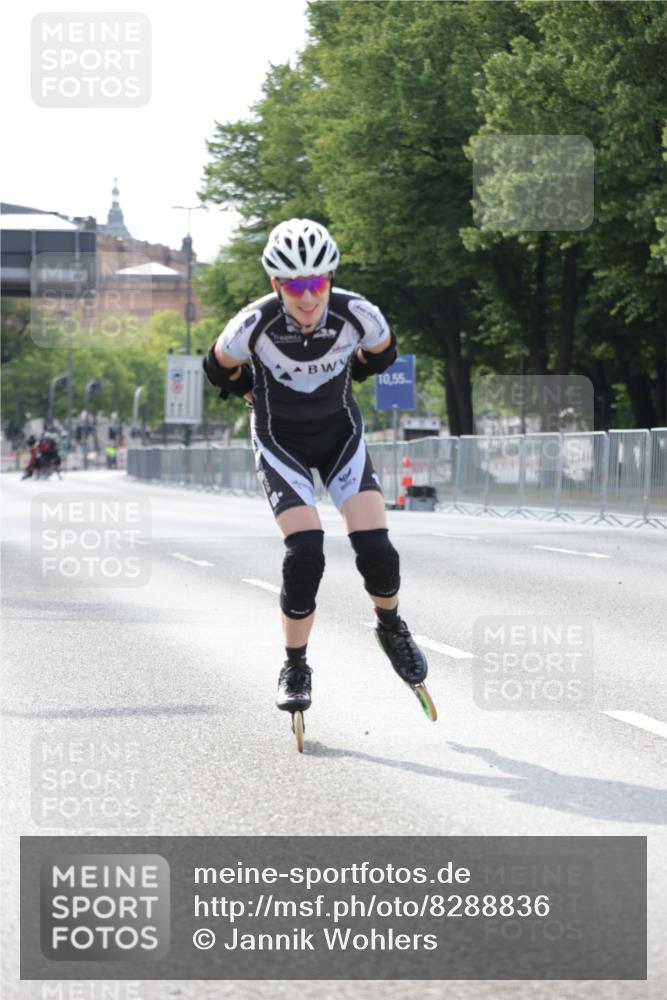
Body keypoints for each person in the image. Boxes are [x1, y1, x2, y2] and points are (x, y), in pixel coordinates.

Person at [203, 218, 429, 715]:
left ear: (330, 278)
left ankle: (391, 627)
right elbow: (217, 365)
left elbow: (382, 354)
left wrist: (349, 375)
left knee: (376, 550)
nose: (307, 298)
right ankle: (295, 664)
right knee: (306, 552)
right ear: (275, 285)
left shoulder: (358, 314)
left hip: (339, 436)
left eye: (317, 283)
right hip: (280, 441)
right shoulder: (253, 324)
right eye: (294, 286)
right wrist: (250, 393)